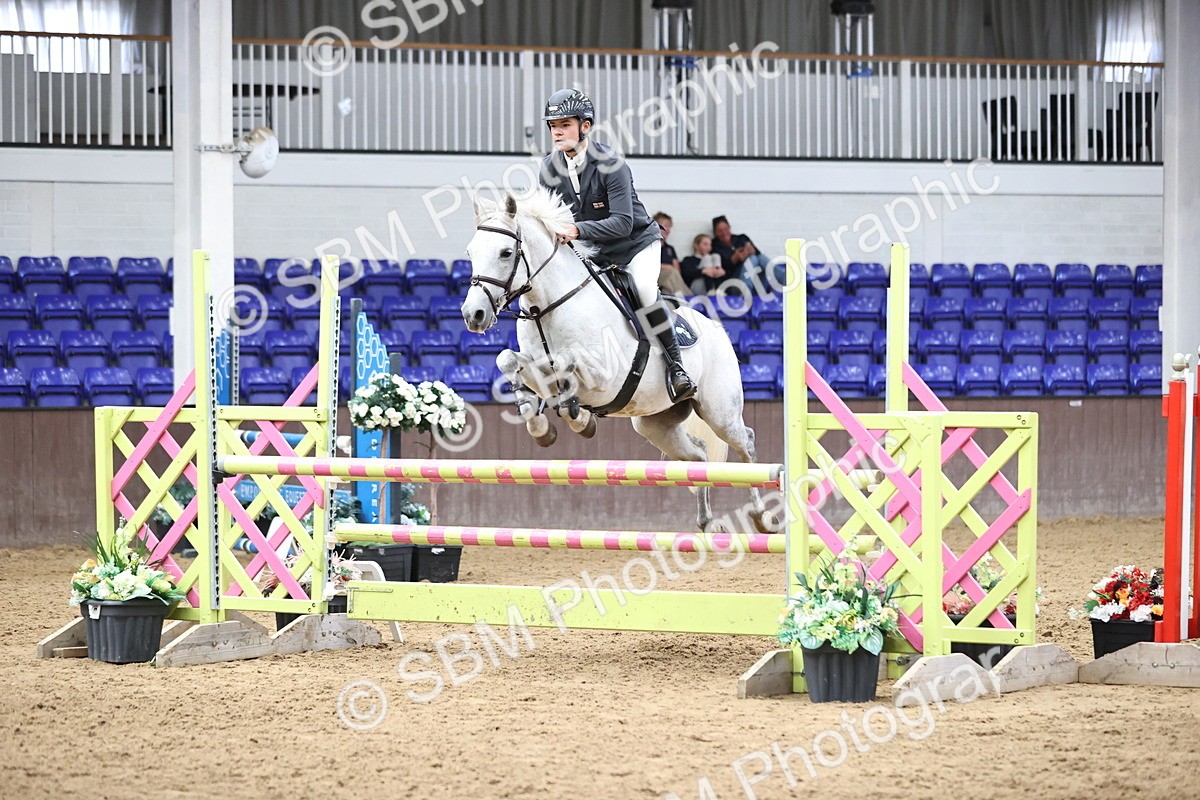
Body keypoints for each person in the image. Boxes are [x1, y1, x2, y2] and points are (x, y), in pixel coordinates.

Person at [537, 88, 696, 403]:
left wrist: (576, 229)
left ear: (585, 126)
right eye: (553, 126)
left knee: (645, 290)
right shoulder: (548, 169)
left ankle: (677, 367)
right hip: (593, 249)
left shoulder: (612, 164)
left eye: (565, 124)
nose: (557, 132)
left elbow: (623, 222)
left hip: (634, 244)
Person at [711, 215, 782, 296]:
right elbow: (718, 272)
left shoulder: (742, 238)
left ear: (729, 228)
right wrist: (733, 260)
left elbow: (759, 256)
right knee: (753, 259)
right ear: (715, 233)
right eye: (720, 230)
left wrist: (752, 251)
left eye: (726, 228)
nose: (724, 232)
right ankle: (745, 291)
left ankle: (786, 279)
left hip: (757, 285)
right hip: (734, 285)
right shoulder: (713, 246)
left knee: (758, 258)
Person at [652, 212, 691, 296]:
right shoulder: (649, 245)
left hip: (670, 281)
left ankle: (686, 298)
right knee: (671, 272)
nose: (668, 230)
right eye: (666, 225)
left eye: (670, 226)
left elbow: (677, 270)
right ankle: (689, 299)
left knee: (671, 280)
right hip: (654, 277)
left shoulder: (670, 248)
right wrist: (664, 266)